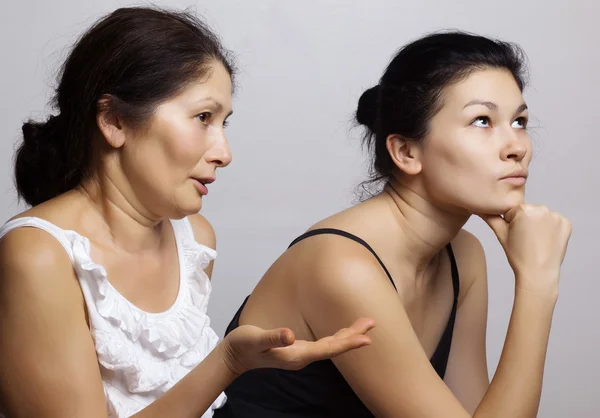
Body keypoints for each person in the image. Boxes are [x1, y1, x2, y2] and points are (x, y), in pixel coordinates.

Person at [0, 7, 376, 418]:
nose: (224, 154)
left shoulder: (195, 239)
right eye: (203, 118)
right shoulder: (38, 254)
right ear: (114, 120)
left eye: (223, 123)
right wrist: (228, 363)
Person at [214, 31, 572, 418]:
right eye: (482, 120)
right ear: (406, 151)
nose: (516, 146)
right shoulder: (344, 267)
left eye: (519, 121)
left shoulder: (463, 256)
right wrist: (537, 284)